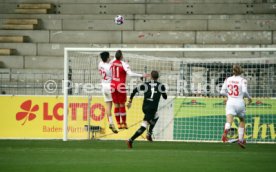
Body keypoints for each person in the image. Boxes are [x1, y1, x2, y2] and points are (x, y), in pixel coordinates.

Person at [126, 70, 167, 149]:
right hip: (152, 108)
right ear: (158, 78)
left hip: (145, 107)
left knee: (156, 116)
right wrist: (162, 93)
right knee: (144, 126)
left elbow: (134, 90)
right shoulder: (161, 86)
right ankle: (130, 140)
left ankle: (149, 134)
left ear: (151, 77)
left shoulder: (145, 84)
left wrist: (130, 100)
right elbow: (165, 97)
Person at [110, 50, 148, 129]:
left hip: (113, 85)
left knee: (116, 105)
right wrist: (141, 75)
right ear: (121, 56)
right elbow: (130, 74)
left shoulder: (112, 62)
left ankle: (118, 124)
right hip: (120, 86)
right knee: (122, 105)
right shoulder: (123, 64)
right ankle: (124, 123)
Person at [220, 64, 252, 148]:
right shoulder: (243, 80)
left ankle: (225, 132)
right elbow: (244, 91)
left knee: (229, 121)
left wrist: (229, 95)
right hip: (240, 102)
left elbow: (222, 92)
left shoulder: (228, 79)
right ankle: (241, 139)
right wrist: (249, 98)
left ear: (233, 71)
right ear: (240, 71)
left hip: (230, 102)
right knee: (242, 120)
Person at [98, 51, 118, 133]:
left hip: (103, 86)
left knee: (108, 105)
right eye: (109, 57)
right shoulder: (109, 67)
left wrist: (111, 58)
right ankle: (121, 121)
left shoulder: (100, 64)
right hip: (110, 87)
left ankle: (111, 122)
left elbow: (110, 61)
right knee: (117, 103)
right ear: (107, 58)